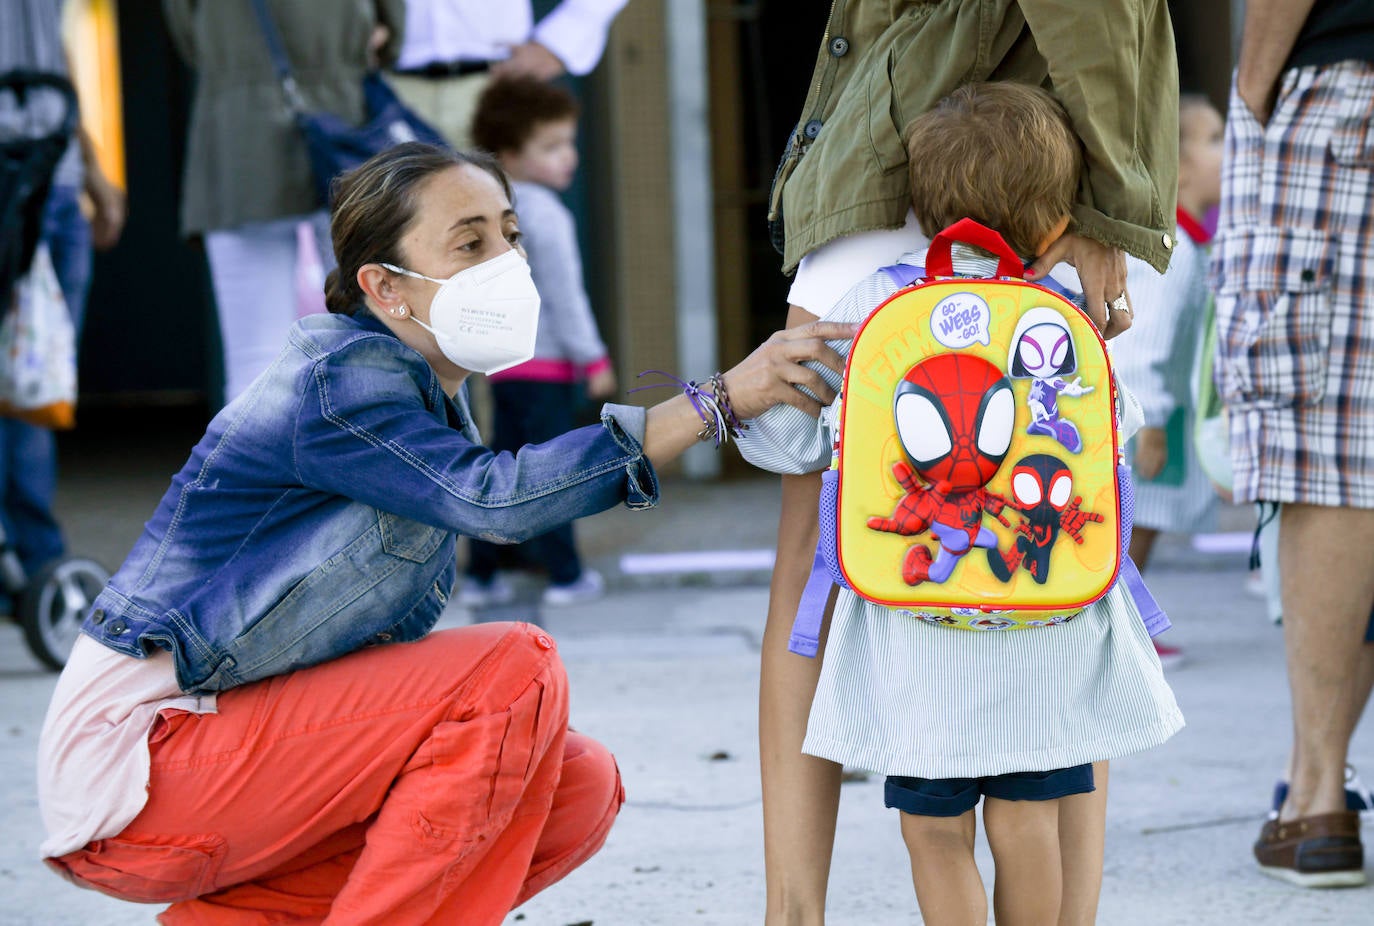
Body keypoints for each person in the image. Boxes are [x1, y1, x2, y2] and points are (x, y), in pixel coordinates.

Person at [36, 142, 855, 925]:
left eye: (510, 235)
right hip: (144, 768)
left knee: (574, 785)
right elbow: (496, 501)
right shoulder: (338, 381)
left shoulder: (423, 392)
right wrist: (713, 403)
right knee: (512, 671)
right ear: (386, 289)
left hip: (233, 764)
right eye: (470, 244)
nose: (507, 262)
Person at [755, 3, 1180, 923]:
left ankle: (791, 910)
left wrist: (738, 409)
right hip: (1041, 627)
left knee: (930, 833)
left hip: (918, 650)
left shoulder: (871, 308)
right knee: (1031, 823)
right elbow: (1116, 445)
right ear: (1061, 216)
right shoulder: (1061, 319)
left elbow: (793, 438)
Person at [1214, 0, 1374, 889]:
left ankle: (1316, 797)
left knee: (1335, 447)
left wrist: (1252, 91)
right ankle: (1316, 781)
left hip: (1343, 87)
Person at [161, 0, 404, 404]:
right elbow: (392, 30)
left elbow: (189, 39)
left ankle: (258, 466)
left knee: (254, 359)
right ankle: (370, 462)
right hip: (344, 124)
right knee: (370, 342)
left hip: (237, 130)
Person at [461, 76, 616, 608]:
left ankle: (484, 573)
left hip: (504, 366)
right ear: (508, 153)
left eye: (568, 142)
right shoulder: (546, 213)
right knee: (551, 474)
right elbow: (565, 296)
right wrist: (593, 357)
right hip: (548, 366)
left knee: (499, 468)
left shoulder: (487, 213)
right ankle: (566, 575)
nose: (567, 157)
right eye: (551, 146)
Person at [0, 0, 126, 604]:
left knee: (36, 378)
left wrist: (96, 172)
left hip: (56, 179)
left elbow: (57, 64)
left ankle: (36, 563)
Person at [1112, 94, 1225, 670]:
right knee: (1134, 521)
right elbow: (1144, 338)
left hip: (1166, 409)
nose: (1227, 153)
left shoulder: (1193, 241)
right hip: (1146, 414)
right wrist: (1150, 422)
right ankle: (1120, 627)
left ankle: (1128, 622)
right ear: (1176, 166)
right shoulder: (1170, 250)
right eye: (1213, 140)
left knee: (1151, 519)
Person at [387, 0, 629, 148]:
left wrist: (557, 44)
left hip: (494, 84)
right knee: (380, 223)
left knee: (497, 217)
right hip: (383, 86)